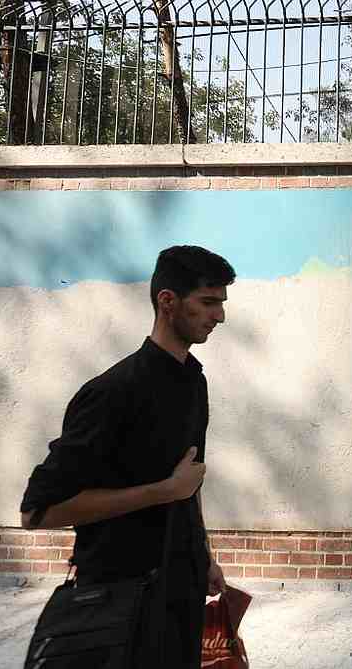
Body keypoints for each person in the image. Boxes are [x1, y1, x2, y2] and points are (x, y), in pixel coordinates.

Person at [19, 245, 236, 668]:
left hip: (182, 592)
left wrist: (203, 554)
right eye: (208, 302)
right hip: (118, 605)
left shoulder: (194, 382)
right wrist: (161, 492)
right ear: (167, 302)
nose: (220, 316)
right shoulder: (113, 392)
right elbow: (36, 512)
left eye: (221, 304)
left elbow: (188, 484)